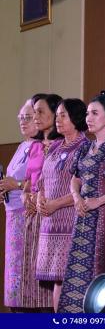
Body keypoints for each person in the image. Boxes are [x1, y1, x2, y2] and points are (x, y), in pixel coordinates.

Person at [58, 91, 105, 313]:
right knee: (79, 269)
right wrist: (77, 198)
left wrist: (99, 201)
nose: (88, 118)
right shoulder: (85, 147)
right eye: (88, 114)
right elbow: (75, 179)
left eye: (94, 113)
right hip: (83, 215)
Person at [36, 98, 89, 311]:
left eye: (63, 115)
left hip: (71, 221)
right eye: (57, 115)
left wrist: (56, 204)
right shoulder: (55, 146)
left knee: (71, 278)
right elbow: (42, 180)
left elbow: (85, 187)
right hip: (50, 223)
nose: (58, 119)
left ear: (76, 118)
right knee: (57, 279)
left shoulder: (85, 147)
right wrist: (40, 199)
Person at [20, 93, 63, 311]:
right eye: (34, 112)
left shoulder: (62, 144)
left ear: (54, 114)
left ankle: (50, 312)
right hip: (32, 212)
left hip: (51, 211)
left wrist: (40, 197)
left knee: (49, 270)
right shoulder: (36, 146)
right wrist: (25, 195)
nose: (35, 117)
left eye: (40, 112)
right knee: (30, 265)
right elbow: (29, 179)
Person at [0, 99, 38, 311]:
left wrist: (15, 184)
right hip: (12, 215)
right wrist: (5, 189)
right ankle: (15, 310)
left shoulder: (39, 147)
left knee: (24, 270)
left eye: (28, 117)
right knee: (12, 270)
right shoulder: (22, 146)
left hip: (27, 214)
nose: (23, 121)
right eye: (21, 117)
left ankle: (26, 311)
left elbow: (38, 183)